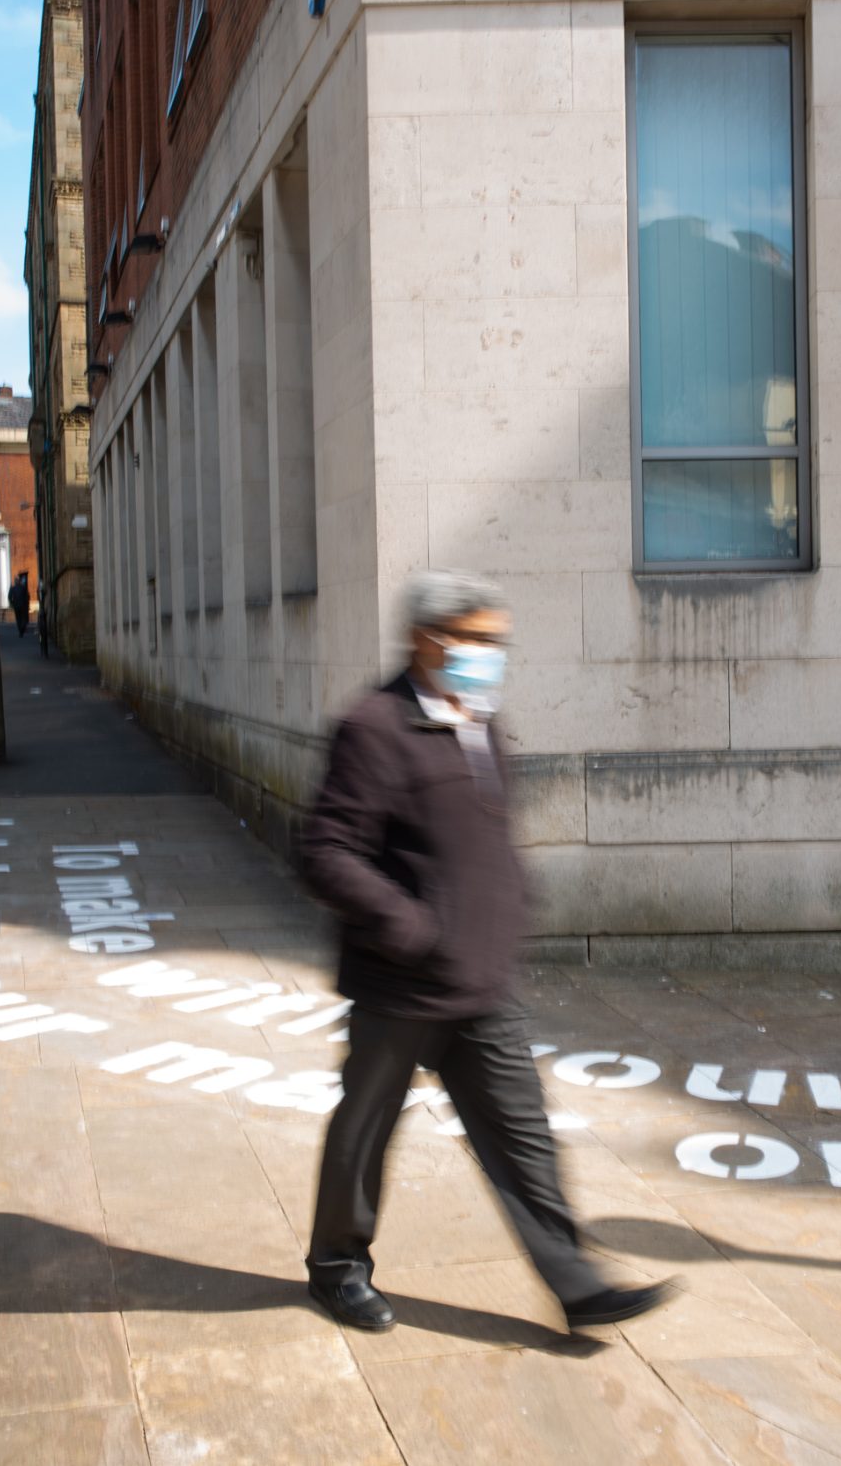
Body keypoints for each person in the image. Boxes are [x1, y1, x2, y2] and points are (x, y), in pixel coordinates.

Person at [298, 570, 672, 1334]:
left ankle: (578, 1285)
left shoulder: (481, 720)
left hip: (480, 985)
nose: (489, 655)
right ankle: (337, 1269)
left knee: (523, 1137)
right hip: (399, 987)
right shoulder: (374, 727)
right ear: (427, 639)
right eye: (477, 639)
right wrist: (409, 926)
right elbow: (325, 851)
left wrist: (508, 907)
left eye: (495, 641)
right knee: (364, 1134)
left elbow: (483, 837)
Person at [7, 571, 29, 638]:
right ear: (19, 581)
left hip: (16, 605)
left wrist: (12, 603)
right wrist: (27, 603)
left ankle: (20, 631)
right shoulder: (23, 588)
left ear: (15, 582)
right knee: (23, 618)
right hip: (23, 605)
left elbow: (9, 596)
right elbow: (27, 596)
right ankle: (22, 628)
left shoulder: (13, 588)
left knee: (18, 618)